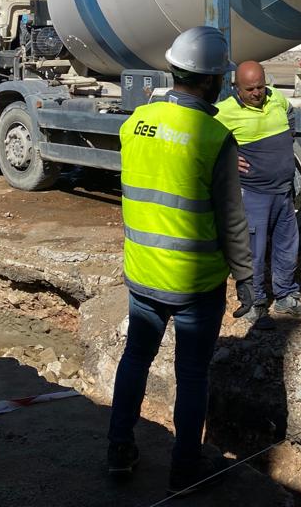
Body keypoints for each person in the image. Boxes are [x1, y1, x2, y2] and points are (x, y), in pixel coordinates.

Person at [106, 26, 255, 497]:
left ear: (173, 70)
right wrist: (247, 281)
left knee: (136, 359)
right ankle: (185, 466)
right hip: (195, 284)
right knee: (191, 375)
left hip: (143, 274)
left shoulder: (136, 124)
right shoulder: (214, 137)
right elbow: (232, 221)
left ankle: (118, 450)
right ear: (214, 80)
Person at [215, 60, 301, 326]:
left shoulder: (277, 99)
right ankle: (255, 304)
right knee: (253, 253)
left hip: (283, 192)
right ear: (236, 87)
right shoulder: (224, 112)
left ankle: (286, 296)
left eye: (260, 86)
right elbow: (201, 141)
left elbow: (291, 115)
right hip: (253, 194)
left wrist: (285, 142)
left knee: (287, 247)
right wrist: (227, 157)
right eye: (250, 89)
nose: (257, 93)